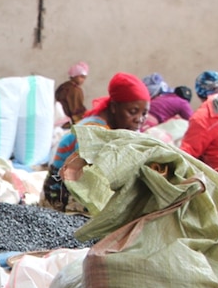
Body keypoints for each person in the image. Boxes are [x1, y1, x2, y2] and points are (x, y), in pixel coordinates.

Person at [41, 72, 150, 213]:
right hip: (58, 200)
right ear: (114, 107)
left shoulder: (120, 129)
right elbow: (93, 180)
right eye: (133, 111)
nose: (139, 119)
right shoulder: (92, 132)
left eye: (144, 113)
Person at [54, 61, 89, 127]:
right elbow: (76, 109)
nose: (83, 80)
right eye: (81, 77)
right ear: (74, 76)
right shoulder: (75, 90)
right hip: (69, 123)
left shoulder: (63, 87)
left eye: (84, 78)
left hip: (59, 120)